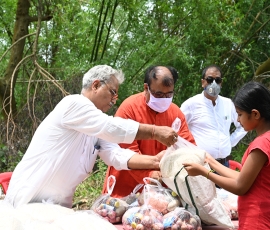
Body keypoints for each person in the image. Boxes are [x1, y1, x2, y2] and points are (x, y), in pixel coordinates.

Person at [4, 65, 179, 209]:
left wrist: (156, 161)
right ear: (95, 85)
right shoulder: (74, 104)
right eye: (112, 92)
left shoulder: (95, 127)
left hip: (57, 208)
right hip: (28, 200)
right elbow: (111, 127)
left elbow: (115, 155)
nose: (114, 100)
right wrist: (156, 132)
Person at [183, 81, 270, 230]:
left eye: (239, 114)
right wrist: (211, 161)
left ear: (255, 114)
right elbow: (243, 177)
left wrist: (203, 172)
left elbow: (240, 186)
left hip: (258, 229)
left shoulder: (261, 145)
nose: (237, 119)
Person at [102, 65, 195, 198]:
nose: (164, 99)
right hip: (126, 190)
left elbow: (188, 146)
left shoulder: (176, 113)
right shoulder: (129, 109)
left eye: (169, 94)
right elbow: (126, 153)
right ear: (146, 88)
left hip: (161, 192)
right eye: (158, 94)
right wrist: (150, 174)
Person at [180, 65, 247, 230]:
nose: (214, 83)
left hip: (223, 164)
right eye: (210, 79)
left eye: (218, 80)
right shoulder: (191, 104)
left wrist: (229, 142)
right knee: (197, 212)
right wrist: (190, 151)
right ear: (203, 82)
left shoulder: (228, 104)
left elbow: (241, 124)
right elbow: (177, 130)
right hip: (199, 166)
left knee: (220, 211)